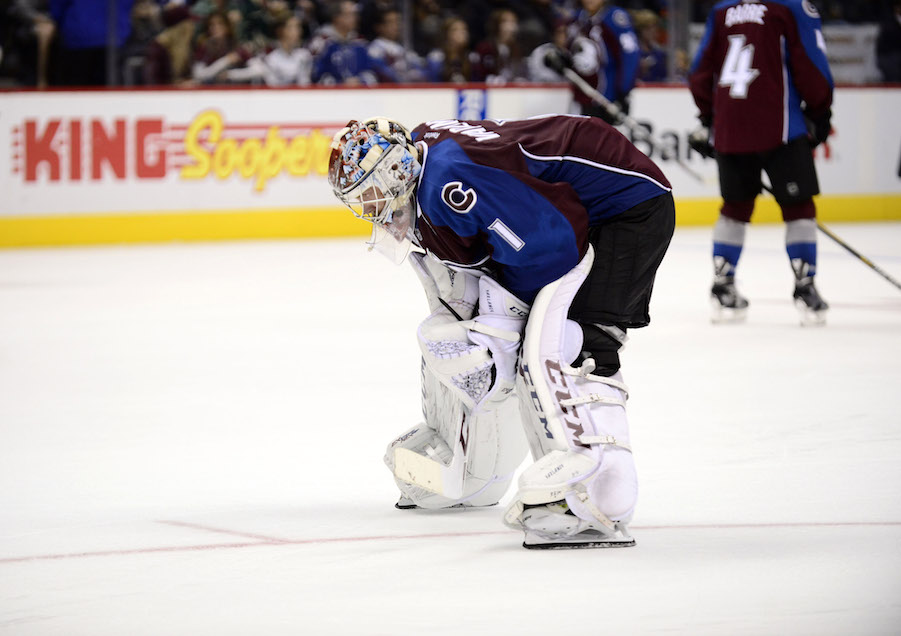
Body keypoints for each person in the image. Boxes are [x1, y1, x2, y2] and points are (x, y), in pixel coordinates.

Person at [326, 115, 675, 548]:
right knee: (469, 335)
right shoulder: (423, 163)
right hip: (572, 206)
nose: (370, 205)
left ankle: (597, 496)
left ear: (395, 170)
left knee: (576, 346)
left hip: (626, 207)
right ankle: (475, 469)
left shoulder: (449, 185)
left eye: (371, 191)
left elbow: (552, 247)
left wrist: (510, 324)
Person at [688, 0, 834, 325]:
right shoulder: (791, 7)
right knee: (798, 207)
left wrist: (710, 116)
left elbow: (700, 70)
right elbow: (811, 62)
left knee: (735, 207)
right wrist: (821, 110)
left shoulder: (721, 10)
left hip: (730, 125)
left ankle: (723, 285)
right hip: (781, 126)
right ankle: (805, 285)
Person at [565, 0, 641, 124]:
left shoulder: (615, 18)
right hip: (583, 95)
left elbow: (630, 54)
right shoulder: (577, 19)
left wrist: (623, 91)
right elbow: (571, 52)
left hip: (608, 96)